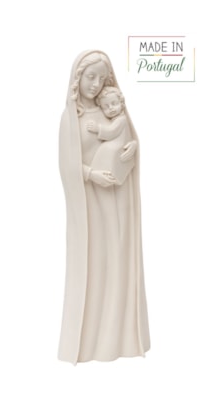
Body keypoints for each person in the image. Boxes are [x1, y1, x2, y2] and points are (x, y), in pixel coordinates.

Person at [58, 50, 150, 364]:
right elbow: (67, 164)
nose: (96, 84)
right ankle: (92, 339)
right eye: (90, 77)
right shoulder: (71, 119)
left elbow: (126, 136)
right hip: (91, 207)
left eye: (101, 77)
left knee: (119, 260)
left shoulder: (111, 109)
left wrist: (133, 147)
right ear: (77, 78)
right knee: (95, 264)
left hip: (117, 199)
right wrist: (92, 175)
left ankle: (120, 336)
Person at [86, 86, 135, 185]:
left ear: (121, 103)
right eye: (106, 107)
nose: (111, 108)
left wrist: (97, 128)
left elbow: (111, 132)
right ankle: (102, 172)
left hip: (119, 145)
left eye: (114, 103)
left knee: (107, 149)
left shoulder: (121, 120)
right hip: (116, 144)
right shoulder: (117, 119)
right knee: (106, 149)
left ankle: (110, 174)